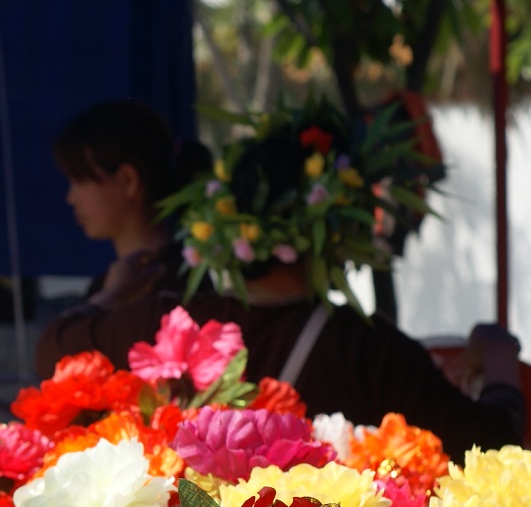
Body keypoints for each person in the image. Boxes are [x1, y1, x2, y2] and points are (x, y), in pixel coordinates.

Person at [35, 106, 525, 456]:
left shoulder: (174, 324)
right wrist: (501, 357)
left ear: (228, 219)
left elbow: (54, 353)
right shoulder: (370, 349)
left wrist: (109, 295)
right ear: (340, 226)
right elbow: (494, 442)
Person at [50, 99, 211, 313]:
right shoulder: (103, 287)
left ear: (128, 180)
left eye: (80, 181)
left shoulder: (185, 285)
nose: (70, 198)